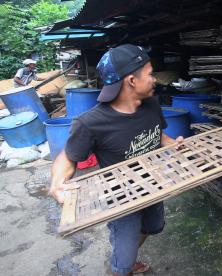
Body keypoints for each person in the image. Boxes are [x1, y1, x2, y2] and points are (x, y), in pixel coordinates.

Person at [49, 44, 184, 276]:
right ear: (131, 80)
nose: (155, 79)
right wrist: (57, 183)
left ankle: (128, 257)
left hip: (154, 186)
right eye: (150, 74)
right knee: (122, 266)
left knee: (154, 227)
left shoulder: (151, 104)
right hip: (121, 199)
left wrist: (175, 145)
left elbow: (158, 134)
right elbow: (68, 157)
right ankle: (122, 266)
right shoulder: (90, 122)